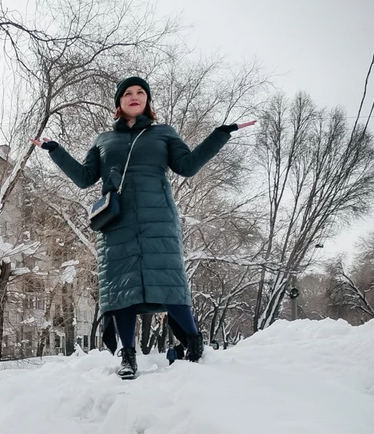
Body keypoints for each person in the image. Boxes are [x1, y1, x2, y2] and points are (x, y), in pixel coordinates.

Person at [32, 76, 255, 379]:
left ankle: (192, 342)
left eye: (140, 92)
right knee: (121, 289)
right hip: (117, 222)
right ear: (118, 102)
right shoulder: (103, 140)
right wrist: (55, 150)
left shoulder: (163, 133)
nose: (134, 96)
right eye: (127, 93)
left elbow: (187, 166)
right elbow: (85, 178)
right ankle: (128, 355)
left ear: (148, 100)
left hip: (158, 220)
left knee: (170, 282)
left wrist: (220, 134)